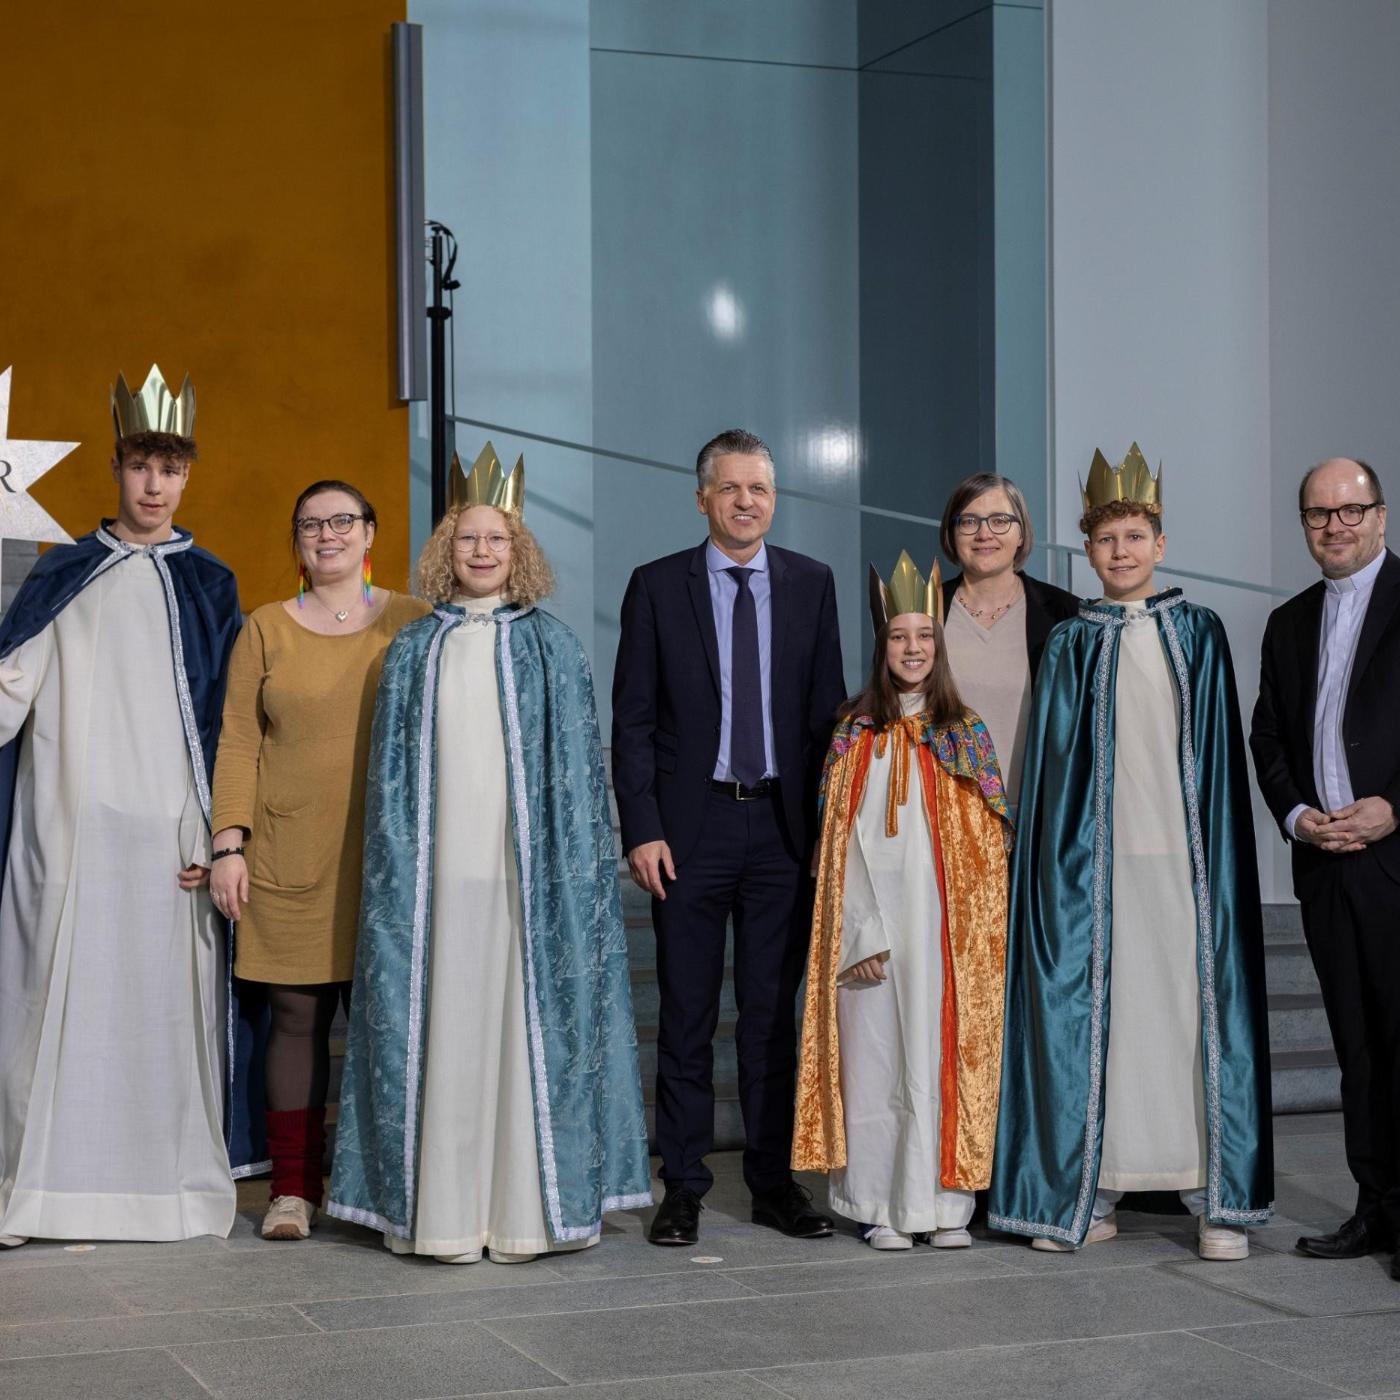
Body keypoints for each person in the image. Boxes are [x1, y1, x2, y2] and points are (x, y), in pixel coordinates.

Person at [328, 443, 650, 1263]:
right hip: (436, 884)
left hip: (524, 885)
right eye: (467, 537)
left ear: (519, 550)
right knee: (449, 1029)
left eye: (496, 538)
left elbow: (577, 784)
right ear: (446, 548)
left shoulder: (555, 647)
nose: (481, 551)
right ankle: (442, 1214)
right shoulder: (413, 649)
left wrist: (567, 877)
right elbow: (391, 783)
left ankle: (521, 1215)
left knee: (518, 1035)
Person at [988, 444, 1273, 1260]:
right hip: (1099, 869)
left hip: (1184, 864)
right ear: (1087, 549)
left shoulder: (1199, 633)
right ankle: (1095, 1187)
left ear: (1161, 543)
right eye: (1107, 539)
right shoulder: (1070, 643)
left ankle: (1213, 1197)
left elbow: (1217, 760)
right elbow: (1053, 770)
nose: (1121, 552)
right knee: (1107, 1021)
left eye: (1135, 537)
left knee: (1189, 1017)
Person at [0, 366, 249, 1245]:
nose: (154, 485)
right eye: (141, 466)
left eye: (171, 469)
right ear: (116, 466)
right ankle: (38, 1190)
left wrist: (222, 833)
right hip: (67, 824)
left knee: (159, 1007)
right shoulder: (63, 571)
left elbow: (230, 723)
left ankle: (163, 1191)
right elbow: (12, 688)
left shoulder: (210, 584)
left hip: (169, 836)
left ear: (188, 475)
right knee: (48, 993)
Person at [612, 427, 847, 1247]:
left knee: (770, 1019)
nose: (747, 501)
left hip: (783, 831)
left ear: (774, 500)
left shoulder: (812, 583)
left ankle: (774, 1183)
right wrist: (642, 828)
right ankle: (682, 1185)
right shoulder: (656, 586)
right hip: (690, 830)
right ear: (702, 498)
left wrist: (828, 831)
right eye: (731, 488)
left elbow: (826, 719)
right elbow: (633, 720)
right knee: (685, 1015)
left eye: (760, 489)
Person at [210, 479, 429, 1241]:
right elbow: (238, 739)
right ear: (297, 539)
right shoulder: (266, 627)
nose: (327, 534)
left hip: (391, 862)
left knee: (389, 1026)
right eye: (311, 524)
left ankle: (391, 1191)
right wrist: (228, 843)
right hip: (288, 854)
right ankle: (292, 1192)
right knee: (296, 1021)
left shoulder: (413, 621)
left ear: (370, 533)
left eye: (342, 521)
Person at [793, 553, 1010, 1250]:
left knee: (938, 1058)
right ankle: (877, 1204)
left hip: (942, 931)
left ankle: (944, 1207)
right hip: (871, 931)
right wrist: (859, 932)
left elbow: (990, 845)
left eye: (924, 636)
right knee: (876, 1059)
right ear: (881, 646)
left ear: (939, 646)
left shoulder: (965, 732)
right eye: (898, 637)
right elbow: (835, 847)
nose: (912, 649)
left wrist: (971, 934)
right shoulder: (855, 734)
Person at [1251, 457, 1400, 1280]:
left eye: (1350, 510)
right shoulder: (1288, 622)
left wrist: (1393, 806)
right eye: (1318, 514)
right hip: (1326, 864)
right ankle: (1375, 1205)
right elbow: (1268, 736)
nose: (1335, 526)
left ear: (1380, 516)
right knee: (1357, 1046)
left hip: (1395, 856)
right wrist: (1298, 816)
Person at [938, 474, 1079, 809]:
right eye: (969, 521)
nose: (984, 533)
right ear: (952, 534)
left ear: (1021, 534)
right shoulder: (925, 608)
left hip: (1035, 816)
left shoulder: (1065, 614)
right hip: (944, 815)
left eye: (1000, 520)